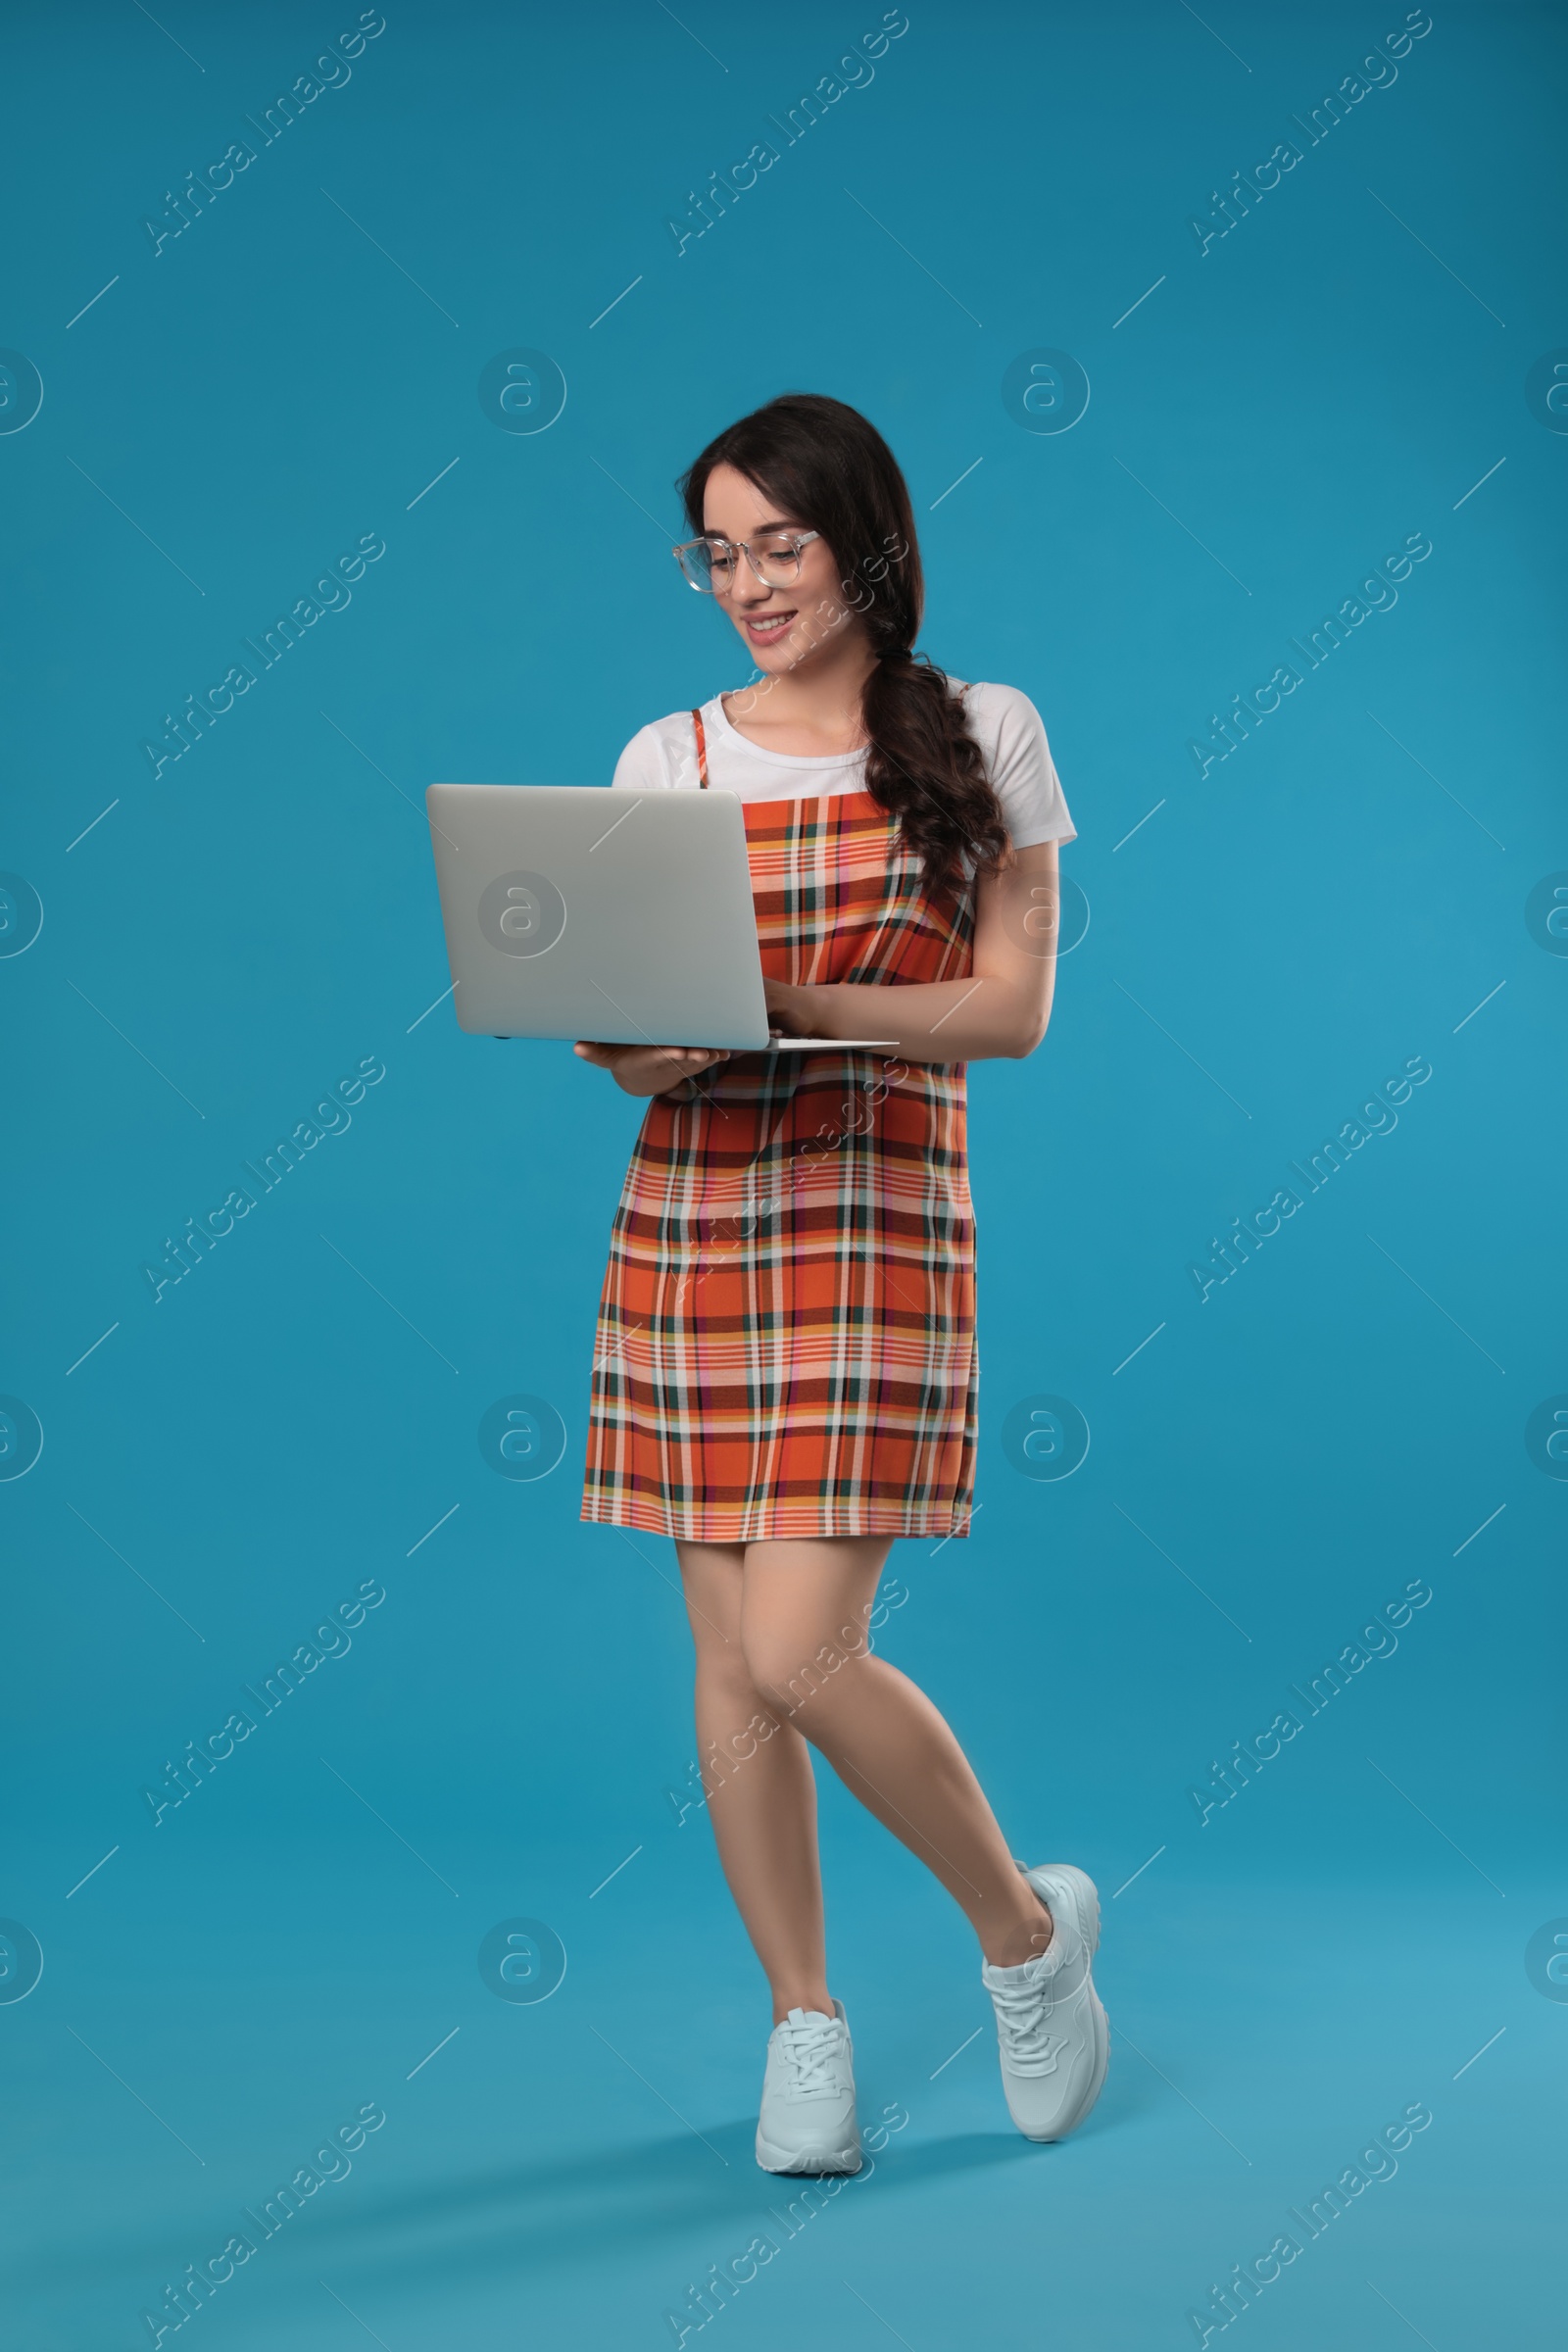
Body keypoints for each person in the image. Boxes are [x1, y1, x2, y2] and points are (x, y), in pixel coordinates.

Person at [575, 392, 1105, 2174]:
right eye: (716, 553)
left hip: (876, 1225)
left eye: (777, 545)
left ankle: (1025, 1940)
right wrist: (625, 1031)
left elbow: (1010, 1013)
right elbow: (645, 1058)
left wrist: (794, 1008)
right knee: (729, 1655)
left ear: (860, 542)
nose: (745, 584)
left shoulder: (985, 728)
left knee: (807, 1647)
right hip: (695, 1216)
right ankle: (805, 2023)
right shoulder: (671, 758)